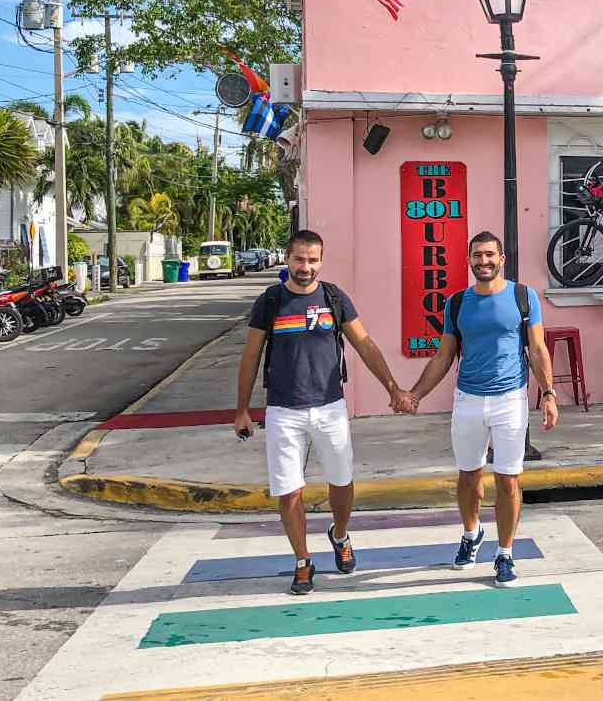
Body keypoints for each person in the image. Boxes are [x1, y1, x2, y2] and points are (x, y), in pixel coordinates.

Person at [234, 229, 414, 594]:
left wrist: (393, 387)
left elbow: (364, 344)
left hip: (330, 407)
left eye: (313, 260)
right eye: (299, 259)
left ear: (321, 260)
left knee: (342, 483)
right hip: (284, 410)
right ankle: (302, 561)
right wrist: (242, 410)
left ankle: (341, 534)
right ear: (287, 258)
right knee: (288, 492)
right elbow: (251, 356)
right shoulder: (270, 301)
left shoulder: (333, 297)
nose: (306, 267)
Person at [403, 231, 559, 588]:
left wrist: (548, 393)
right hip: (468, 400)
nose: (483, 261)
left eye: (490, 255)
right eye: (477, 255)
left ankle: (504, 553)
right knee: (468, 476)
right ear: (469, 260)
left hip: (510, 400)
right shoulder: (457, 303)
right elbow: (444, 356)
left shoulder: (523, 297)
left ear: (501, 259)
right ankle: (471, 534)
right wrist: (415, 395)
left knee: (508, 479)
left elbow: (537, 349)